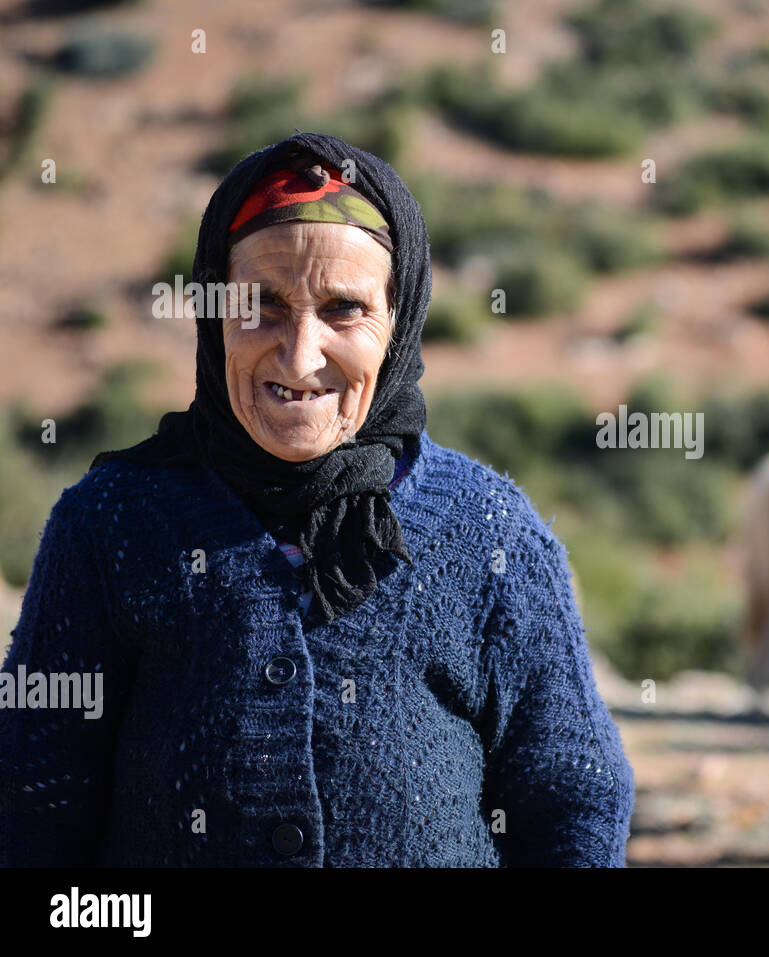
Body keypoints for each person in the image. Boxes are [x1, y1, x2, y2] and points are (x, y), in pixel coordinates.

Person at [0, 132, 635, 867]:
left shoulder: (491, 534)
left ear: (400, 322)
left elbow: (574, 797)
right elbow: (32, 800)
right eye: (261, 305)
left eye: (343, 309)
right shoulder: (109, 524)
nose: (300, 355)